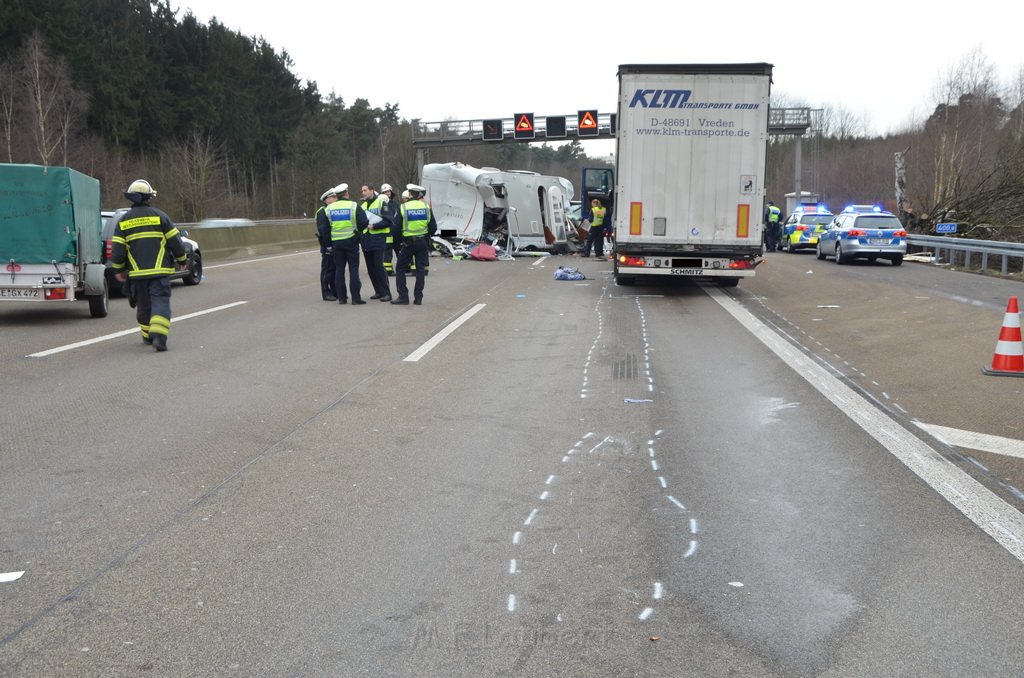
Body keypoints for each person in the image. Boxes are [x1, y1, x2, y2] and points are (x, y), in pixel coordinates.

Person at [110, 179, 188, 352]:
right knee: (160, 302)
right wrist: (182, 260)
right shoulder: (160, 216)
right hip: (159, 273)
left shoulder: (123, 221)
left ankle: (147, 336)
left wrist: (118, 269)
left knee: (143, 305)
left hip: (137, 275)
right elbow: (176, 242)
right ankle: (159, 338)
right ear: (148, 198)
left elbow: (118, 250)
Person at [318, 183, 369, 305]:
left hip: (336, 243)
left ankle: (341, 298)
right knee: (354, 270)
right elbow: (364, 222)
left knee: (339, 270)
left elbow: (324, 230)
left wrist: (329, 244)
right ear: (346, 193)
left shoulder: (328, 209)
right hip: (351, 241)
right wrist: (358, 231)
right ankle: (356, 298)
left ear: (336, 195)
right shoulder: (353, 206)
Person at [391, 183, 436, 306]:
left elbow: (395, 229)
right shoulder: (426, 207)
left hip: (408, 242)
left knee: (400, 268)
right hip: (422, 242)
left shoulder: (403, 207)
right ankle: (418, 297)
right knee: (420, 269)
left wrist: (400, 240)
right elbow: (433, 227)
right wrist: (426, 237)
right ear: (419, 194)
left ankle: (403, 297)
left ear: (410, 194)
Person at [360, 184, 392, 302]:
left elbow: (389, 220)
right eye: (362, 191)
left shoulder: (381, 203)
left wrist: (374, 226)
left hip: (378, 238)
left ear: (372, 190)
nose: (363, 192)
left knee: (378, 266)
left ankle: (386, 292)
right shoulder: (363, 205)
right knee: (370, 268)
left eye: (365, 190)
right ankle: (378, 291)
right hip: (366, 239)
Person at [315, 187, 338, 301]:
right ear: (326, 200)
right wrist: (328, 245)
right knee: (327, 270)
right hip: (327, 245)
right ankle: (326, 292)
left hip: (334, 244)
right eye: (333, 197)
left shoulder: (332, 210)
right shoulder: (322, 211)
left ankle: (335, 291)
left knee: (334, 269)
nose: (335, 199)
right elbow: (324, 230)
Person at [380, 183, 401, 276]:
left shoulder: (395, 204)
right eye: (384, 192)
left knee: (400, 251)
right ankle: (388, 270)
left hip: (396, 232)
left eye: (388, 191)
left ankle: (403, 268)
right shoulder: (381, 204)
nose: (387, 193)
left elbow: (399, 216)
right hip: (387, 232)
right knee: (387, 252)